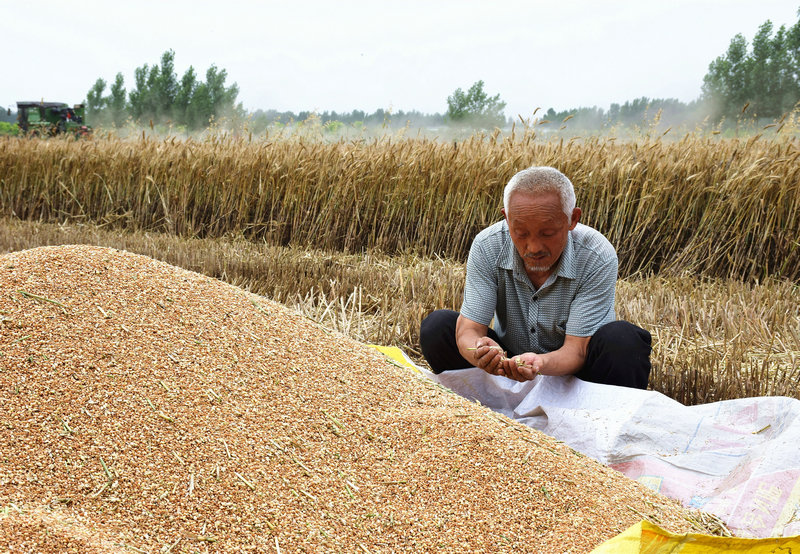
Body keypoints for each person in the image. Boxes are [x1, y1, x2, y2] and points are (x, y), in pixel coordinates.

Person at [419, 166, 651, 389]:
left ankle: (601, 422)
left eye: (547, 233)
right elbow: (468, 331)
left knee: (623, 341)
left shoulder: (596, 254)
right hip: (507, 365)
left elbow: (577, 350)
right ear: (507, 219)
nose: (533, 247)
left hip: (577, 373)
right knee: (438, 327)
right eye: (520, 233)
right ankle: (478, 412)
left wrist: (539, 363)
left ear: (572, 219)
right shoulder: (487, 245)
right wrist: (479, 352)